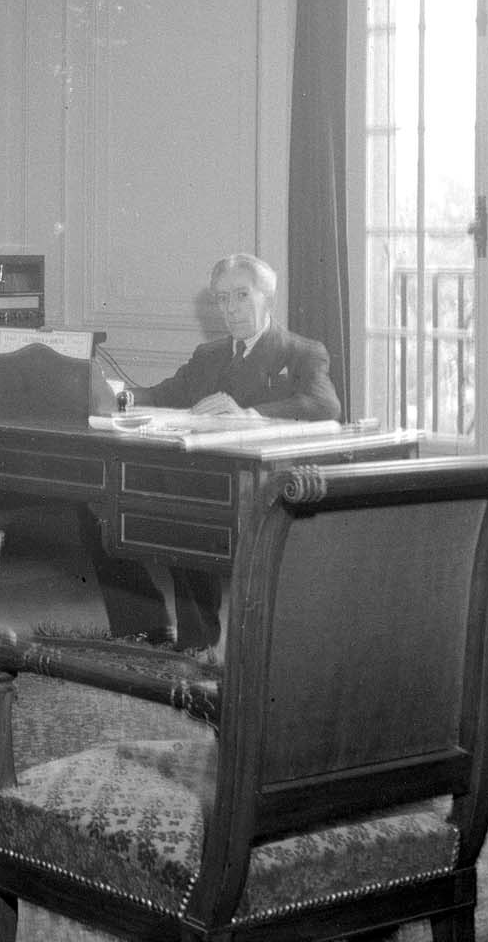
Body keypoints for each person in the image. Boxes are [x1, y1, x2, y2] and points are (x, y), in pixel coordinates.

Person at [80, 252, 341, 650]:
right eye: (222, 299)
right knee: (97, 499)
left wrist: (250, 413)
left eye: (241, 295)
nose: (231, 309)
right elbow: (165, 393)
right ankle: (142, 625)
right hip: (195, 473)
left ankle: (197, 641)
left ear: (266, 297)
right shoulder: (210, 355)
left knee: (181, 504)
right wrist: (118, 394)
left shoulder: (301, 352)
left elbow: (325, 406)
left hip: (255, 483)